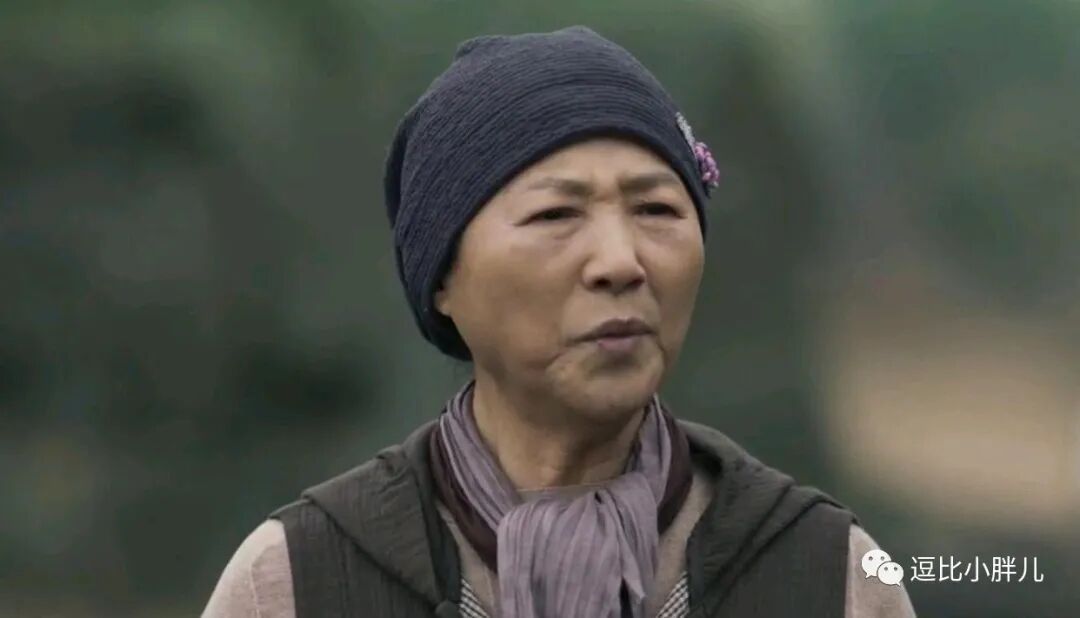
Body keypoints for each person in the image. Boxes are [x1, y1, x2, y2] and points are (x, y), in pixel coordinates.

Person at [203, 25, 916, 618]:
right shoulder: (304, 580)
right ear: (443, 277)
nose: (621, 262)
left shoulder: (822, 574)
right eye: (554, 214)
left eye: (657, 209)